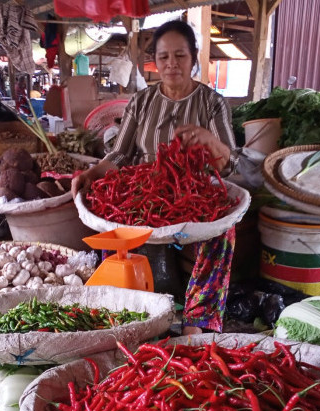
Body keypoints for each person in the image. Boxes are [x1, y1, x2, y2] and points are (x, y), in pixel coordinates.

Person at [72, 20, 237, 336]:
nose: (172, 64)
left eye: (180, 55)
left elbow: (228, 166)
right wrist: (91, 173)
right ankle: (125, 311)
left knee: (224, 232)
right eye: (164, 57)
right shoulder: (141, 101)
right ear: (155, 61)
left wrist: (209, 141)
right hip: (145, 187)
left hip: (195, 190)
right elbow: (120, 155)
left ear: (193, 58)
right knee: (111, 219)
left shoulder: (212, 103)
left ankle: (197, 323)